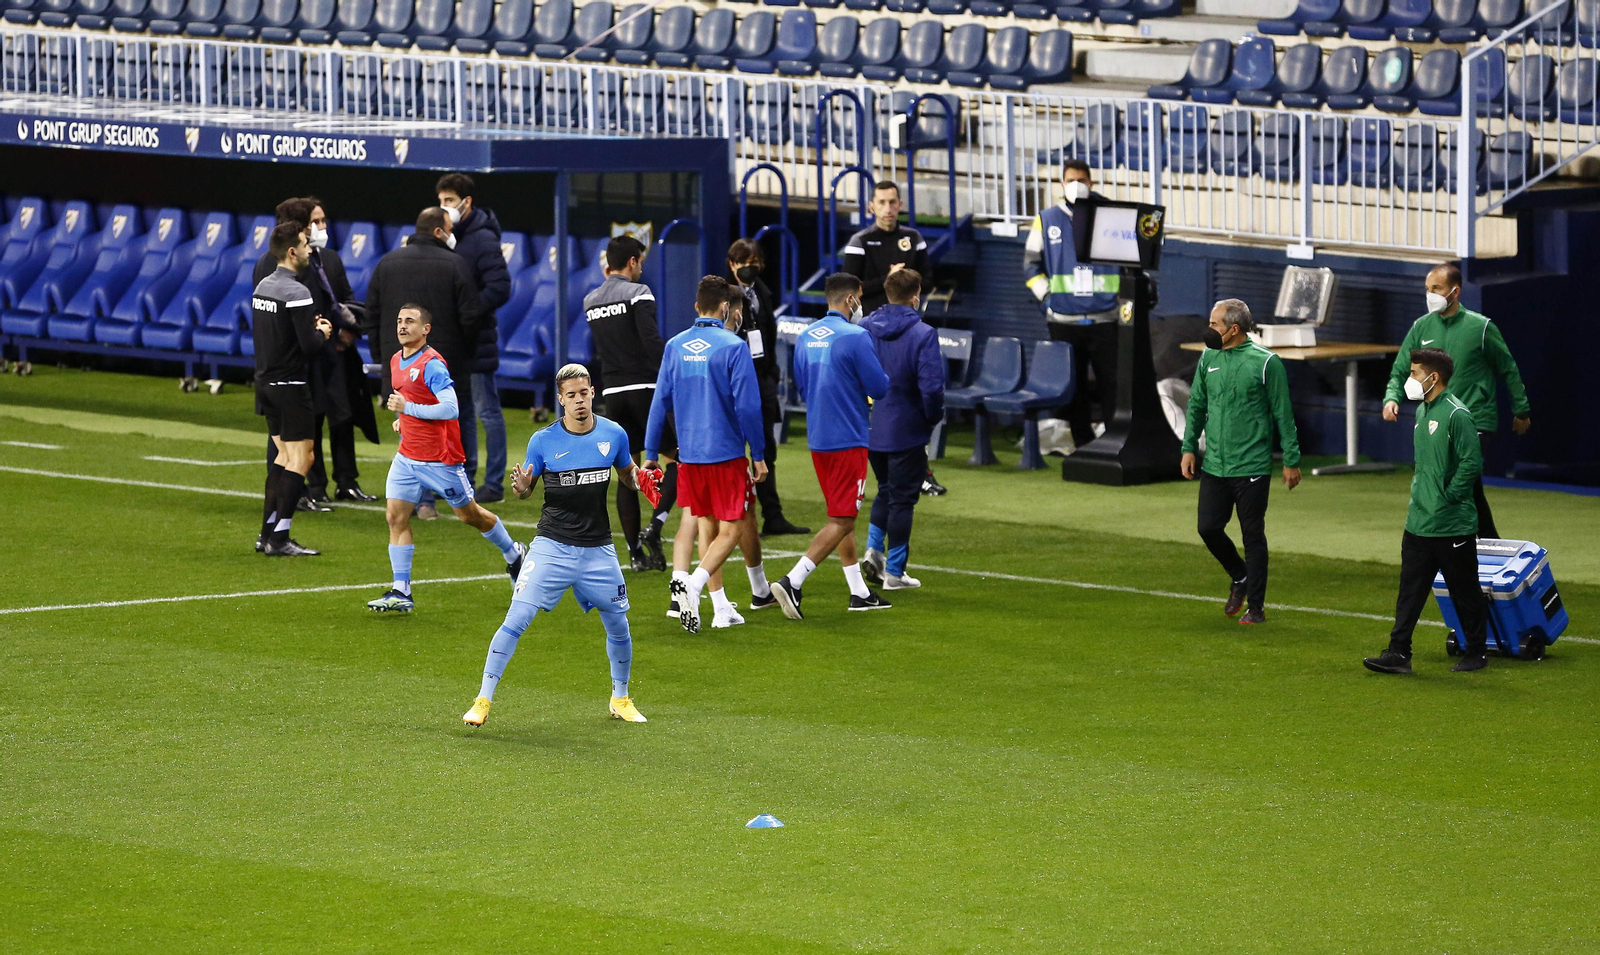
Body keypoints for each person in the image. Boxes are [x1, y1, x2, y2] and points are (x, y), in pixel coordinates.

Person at [462, 363, 648, 727]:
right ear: (560, 400)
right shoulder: (543, 441)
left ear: (593, 392)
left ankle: (621, 697)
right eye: (571, 396)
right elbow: (527, 487)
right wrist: (520, 487)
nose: (579, 401)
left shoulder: (614, 433)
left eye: (584, 393)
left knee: (619, 627)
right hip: (552, 546)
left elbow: (626, 476)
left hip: (598, 549)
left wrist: (641, 479)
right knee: (516, 619)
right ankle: (482, 700)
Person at [366, 304, 524, 613]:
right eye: (399, 320)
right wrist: (405, 421)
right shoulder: (397, 359)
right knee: (395, 517)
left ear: (425, 329)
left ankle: (514, 553)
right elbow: (416, 402)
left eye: (410, 321)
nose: (402, 326)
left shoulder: (432, 364)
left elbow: (450, 408)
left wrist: (407, 410)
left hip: (440, 460)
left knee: (471, 516)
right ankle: (402, 591)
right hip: (407, 457)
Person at [643, 275, 768, 634]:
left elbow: (659, 402)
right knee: (733, 527)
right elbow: (749, 407)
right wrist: (757, 453)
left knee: (706, 526)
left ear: (697, 307)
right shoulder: (732, 346)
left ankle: (720, 608)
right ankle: (693, 586)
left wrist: (652, 451)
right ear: (726, 307)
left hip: (690, 456)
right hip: (725, 452)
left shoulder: (675, 346)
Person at [769, 273, 891, 619]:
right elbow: (879, 387)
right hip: (848, 437)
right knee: (843, 517)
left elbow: (803, 386)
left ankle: (859, 591)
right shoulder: (856, 336)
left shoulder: (806, 336)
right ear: (852, 299)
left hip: (819, 436)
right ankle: (793, 581)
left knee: (840, 514)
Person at [1364, 348, 1491, 675]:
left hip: (1452, 525)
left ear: (1433, 377)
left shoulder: (1457, 415)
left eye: (1415, 373)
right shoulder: (1422, 411)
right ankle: (1398, 653)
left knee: (1465, 592)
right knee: (1409, 592)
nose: (1410, 379)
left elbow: (1471, 463)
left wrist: (1449, 496)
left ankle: (1477, 652)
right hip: (1419, 522)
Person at [1382, 263, 1530, 539]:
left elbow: (1508, 368)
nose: (1430, 295)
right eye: (1427, 289)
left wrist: (1521, 410)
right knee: (1467, 484)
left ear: (1455, 291)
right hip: (1435, 418)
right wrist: (1392, 398)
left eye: (1435, 289)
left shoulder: (1481, 328)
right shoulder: (1421, 327)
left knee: (1456, 475)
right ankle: (1484, 545)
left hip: (1476, 418)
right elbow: (1401, 369)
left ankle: (1448, 543)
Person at [1180, 299, 1302, 625]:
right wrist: (1189, 447)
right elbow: (1196, 405)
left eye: (1215, 324)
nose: (1209, 330)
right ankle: (1240, 575)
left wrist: (1291, 460)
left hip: (1252, 466)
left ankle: (1257, 608)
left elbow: (1283, 414)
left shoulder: (1266, 364)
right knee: (1207, 527)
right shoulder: (1208, 358)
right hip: (1215, 464)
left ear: (1233, 329)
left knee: (1252, 535)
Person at [252, 197, 376, 512]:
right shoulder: (279, 271)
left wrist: (346, 330)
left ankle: (339, 484)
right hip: (295, 367)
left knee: (337, 419)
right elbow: (291, 325)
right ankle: (298, 499)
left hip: (318, 360)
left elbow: (342, 298)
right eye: (316, 222)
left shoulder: (325, 259)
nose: (322, 228)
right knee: (296, 445)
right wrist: (320, 332)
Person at [363, 207, 480, 521]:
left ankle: (421, 499)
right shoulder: (455, 264)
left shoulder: (387, 262)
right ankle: (461, 495)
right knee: (455, 422)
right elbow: (471, 317)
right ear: (439, 231)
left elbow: (370, 315)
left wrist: (382, 361)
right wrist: (464, 354)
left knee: (411, 428)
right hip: (446, 365)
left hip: (399, 366)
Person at [839, 180, 945, 499]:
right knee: (867, 404)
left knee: (909, 399)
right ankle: (861, 476)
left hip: (907, 332)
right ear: (871, 207)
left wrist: (904, 282)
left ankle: (921, 473)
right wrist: (886, 281)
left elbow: (928, 278)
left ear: (900, 205)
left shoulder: (913, 238)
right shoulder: (861, 241)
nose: (887, 208)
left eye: (892, 202)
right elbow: (851, 288)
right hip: (870, 333)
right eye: (881, 202)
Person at [582, 235, 678, 572]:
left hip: (613, 393)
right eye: (641, 261)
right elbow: (651, 341)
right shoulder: (639, 292)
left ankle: (636, 555)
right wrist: (674, 372)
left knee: (627, 472)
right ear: (633, 262)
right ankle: (657, 527)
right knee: (679, 459)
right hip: (647, 389)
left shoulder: (590, 300)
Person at [1023, 158, 1123, 449]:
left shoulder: (1111, 216)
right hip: (1064, 320)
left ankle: (1115, 442)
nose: (1077, 185)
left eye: (1082, 180)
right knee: (1074, 386)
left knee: (1112, 386)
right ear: (1062, 184)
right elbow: (1030, 265)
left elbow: (1131, 262)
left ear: (1091, 183)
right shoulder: (1046, 218)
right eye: (1071, 180)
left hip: (1106, 317)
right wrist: (1047, 300)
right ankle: (1083, 444)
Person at [251, 223, 333, 557]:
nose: (310, 249)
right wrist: (323, 332)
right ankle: (280, 537)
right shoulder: (297, 292)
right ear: (291, 251)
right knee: (303, 458)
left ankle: (266, 533)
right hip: (291, 384)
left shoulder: (262, 287)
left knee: (283, 457)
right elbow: (309, 346)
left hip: (266, 383)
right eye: (305, 244)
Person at [860, 267, 944, 591]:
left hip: (870, 426)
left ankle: (873, 551)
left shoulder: (865, 327)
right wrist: (931, 418)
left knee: (885, 490)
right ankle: (895, 573)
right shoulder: (923, 334)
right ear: (915, 296)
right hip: (907, 428)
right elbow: (932, 387)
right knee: (903, 501)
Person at [726, 237, 809, 538]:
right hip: (732, 379)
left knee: (766, 451)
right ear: (732, 264)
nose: (750, 267)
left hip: (761, 378)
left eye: (754, 262)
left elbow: (768, 336)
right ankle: (733, 517)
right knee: (734, 450)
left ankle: (772, 516)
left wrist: (771, 374)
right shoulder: (722, 293)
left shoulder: (763, 292)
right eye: (744, 262)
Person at [436, 173, 511, 503]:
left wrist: (468, 312)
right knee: (460, 410)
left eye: (449, 201)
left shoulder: (482, 240)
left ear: (467, 203)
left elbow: (500, 287)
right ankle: (464, 475)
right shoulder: (449, 237)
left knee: (487, 411)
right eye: (441, 201)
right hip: (455, 341)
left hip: (477, 339)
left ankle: (494, 482)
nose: (444, 207)